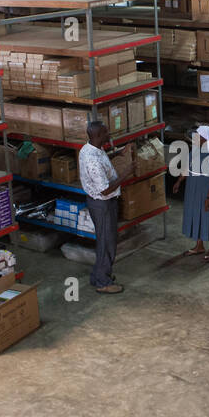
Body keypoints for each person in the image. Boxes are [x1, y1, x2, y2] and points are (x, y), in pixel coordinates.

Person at [79, 121, 132, 294]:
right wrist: (126, 173)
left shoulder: (90, 148)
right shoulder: (92, 160)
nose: (109, 134)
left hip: (102, 203)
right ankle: (103, 282)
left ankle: (98, 275)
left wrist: (118, 153)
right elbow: (105, 189)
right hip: (103, 203)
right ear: (98, 136)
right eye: (106, 132)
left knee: (104, 240)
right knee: (107, 242)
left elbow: (103, 161)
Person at [173, 124, 209, 261]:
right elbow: (188, 168)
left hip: (206, 188)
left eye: (198, 136)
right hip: (193, 188)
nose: (195, 137)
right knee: (196, 214)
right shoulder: (195, 149)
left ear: (206, 138)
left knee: (208, 215)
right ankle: (199, 245)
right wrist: (179, 181)